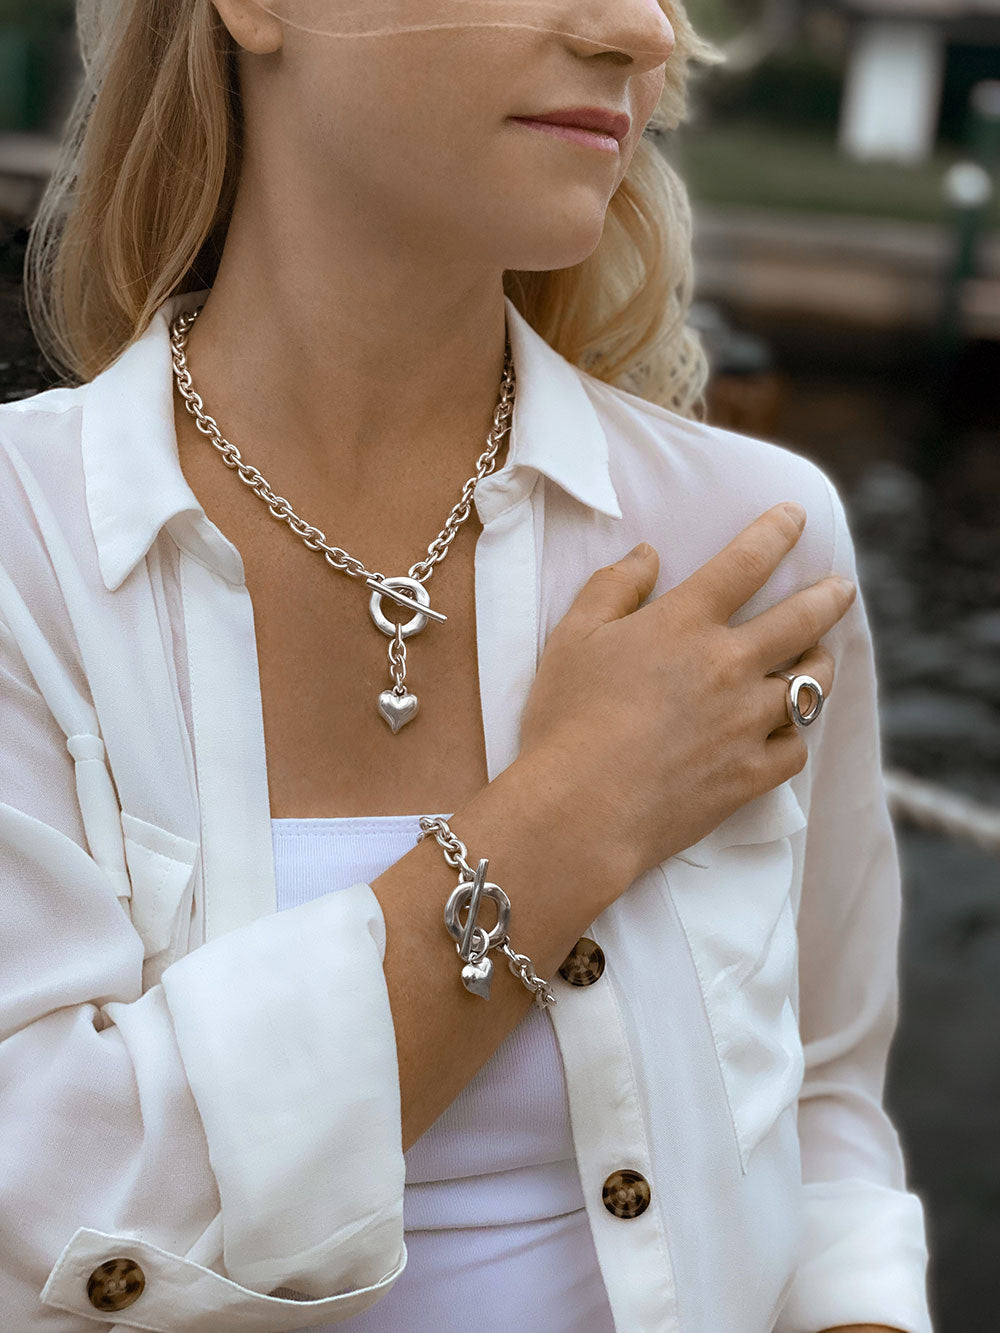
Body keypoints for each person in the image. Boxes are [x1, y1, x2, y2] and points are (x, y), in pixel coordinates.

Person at [0, 1, 933, 1330]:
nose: (641, 31)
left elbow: (825, 1099)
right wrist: (575, 812)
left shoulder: (751, 542)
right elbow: (51, 1220)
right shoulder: (24, 553)